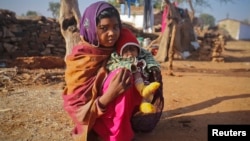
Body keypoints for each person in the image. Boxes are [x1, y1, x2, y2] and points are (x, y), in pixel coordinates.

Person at [62, 1, 162, 141]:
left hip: (121, 110)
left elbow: (143, 57)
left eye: (116, 27)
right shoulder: (81, 58)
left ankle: (124, 125)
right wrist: (109, 95)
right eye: (104, 28)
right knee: (123, 73)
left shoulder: (122, 45)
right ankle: (117, 135)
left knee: (136, 69)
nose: (112, 33)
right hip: (94, 116)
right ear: (91, 28)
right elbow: (76, 109)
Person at [106, 28, 161, 114]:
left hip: (144, 80)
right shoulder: (116, 59)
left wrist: (153, 67)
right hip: (128, 86)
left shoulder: (142, 56)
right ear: (120, 52)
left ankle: (145, 104)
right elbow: (111, 66)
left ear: (137, 50)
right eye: (126, 50)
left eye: (132, 49)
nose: (129, 53)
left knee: (150, 90)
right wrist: (129, 66)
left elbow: (150, 60)